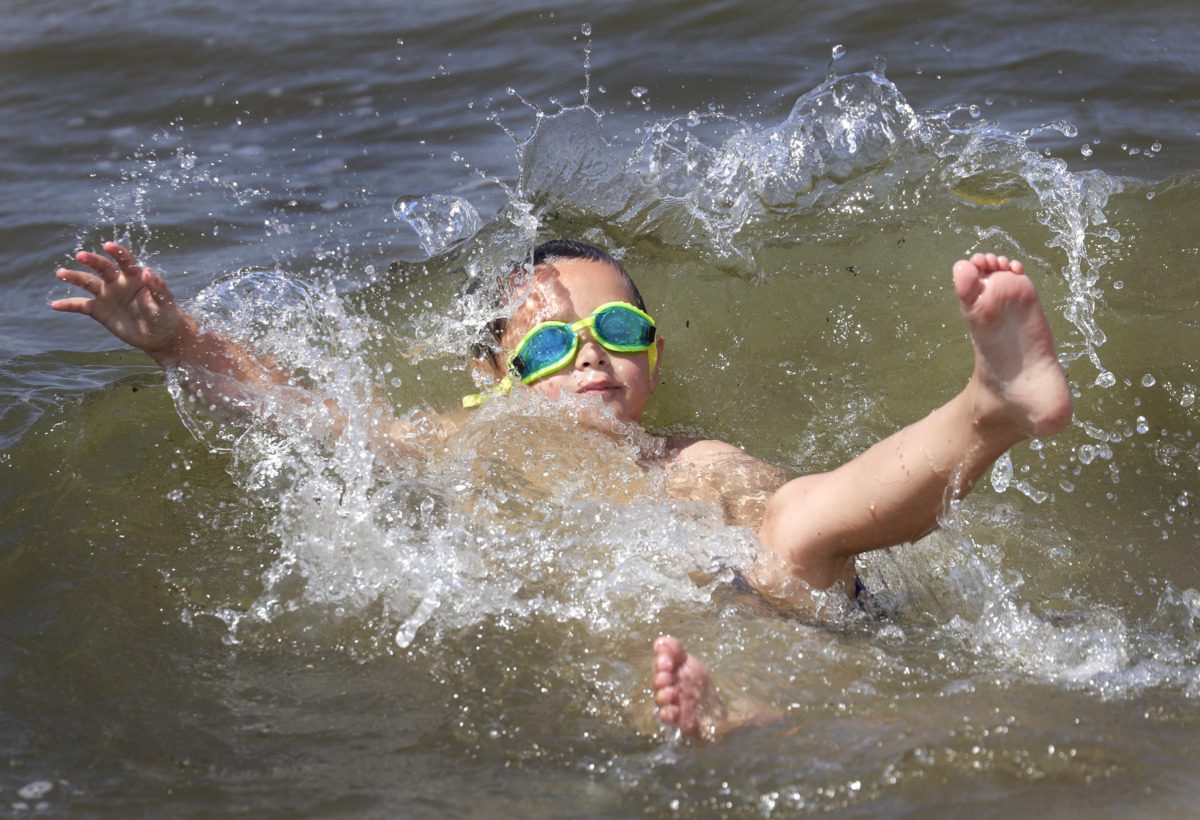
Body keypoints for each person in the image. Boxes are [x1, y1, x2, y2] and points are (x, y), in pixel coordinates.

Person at [53, 238, 1072, 739]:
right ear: (495, 374)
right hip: (678, 644)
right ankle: (738, 712)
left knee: (801, 522)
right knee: (598, 645)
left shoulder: (693, 455)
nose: (590, 355)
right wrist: (179, 342)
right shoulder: (461, 440)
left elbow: (834, 534)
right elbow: (304, 411)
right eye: (550, 342)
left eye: (618, 332)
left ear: (654, 356)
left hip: (798, 600)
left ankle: (994, 404)